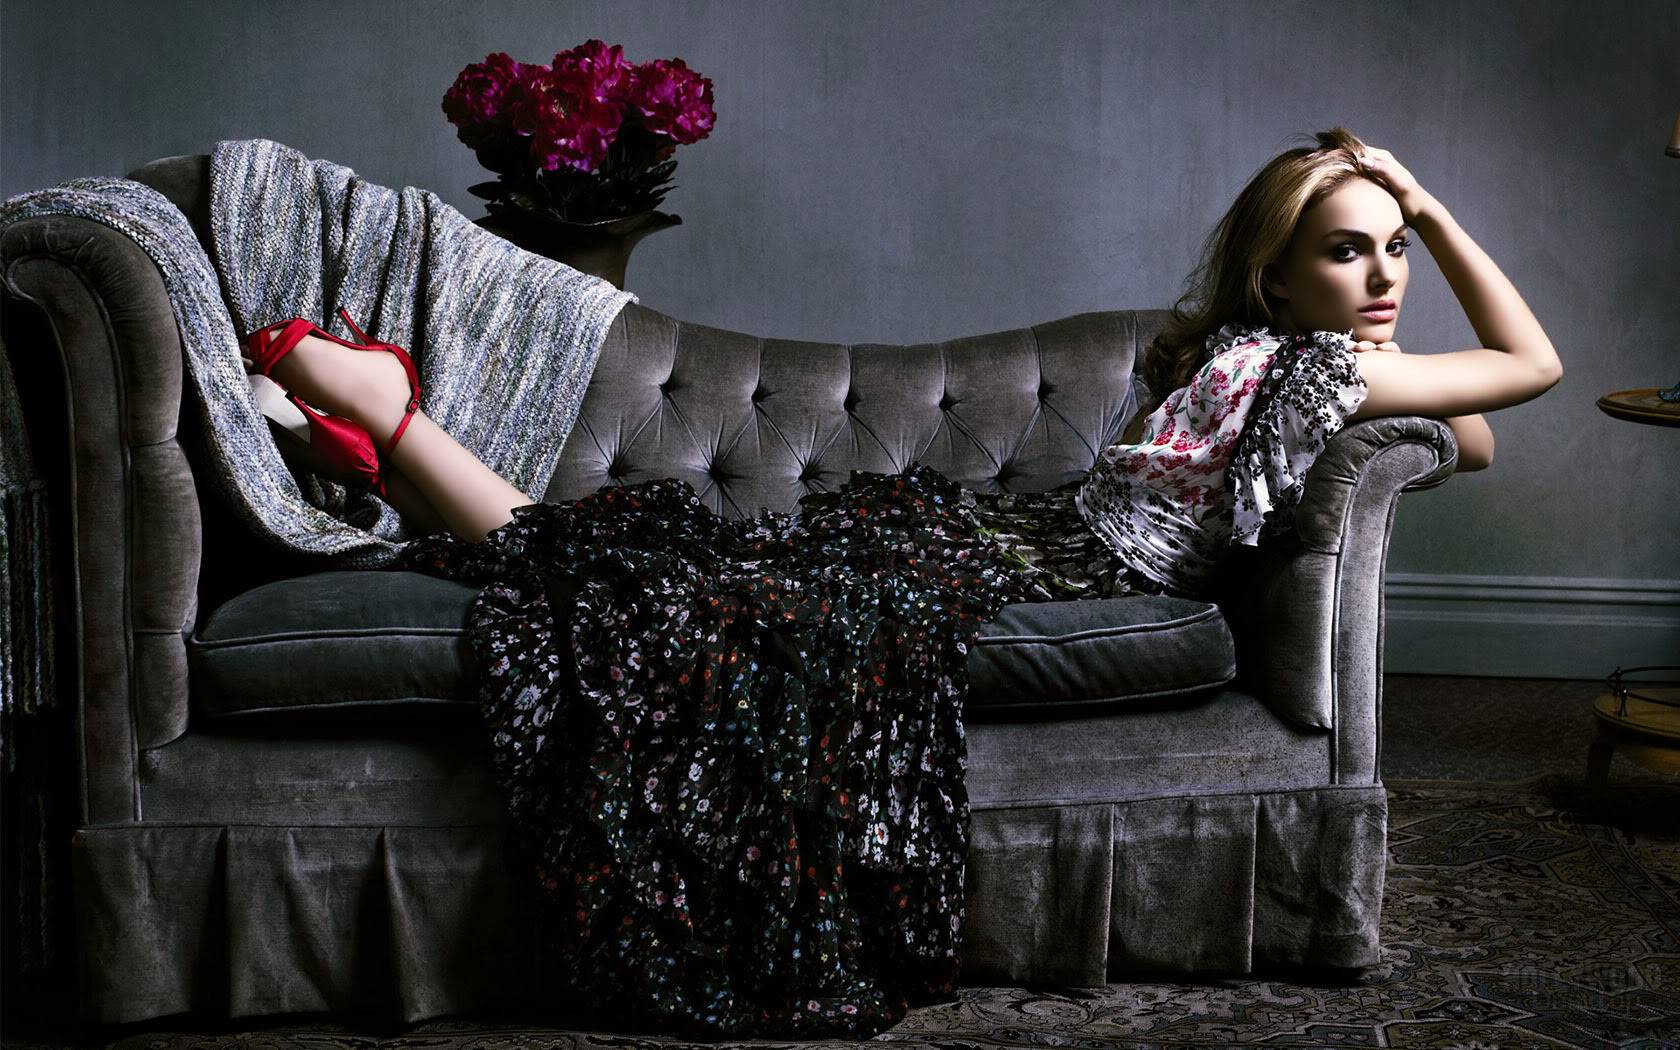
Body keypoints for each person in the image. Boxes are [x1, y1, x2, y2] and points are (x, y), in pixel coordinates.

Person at [237, 125, 1561, 1037]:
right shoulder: (1319, 366)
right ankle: (387, 418)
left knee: (653, 579)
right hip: (1024, 559)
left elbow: (1474, 424)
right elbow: (1530, 370)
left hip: (1013, 541)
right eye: (1352, 249)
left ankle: (378, 430)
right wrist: (1440, 215)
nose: (1385, 276)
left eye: (1398, 245)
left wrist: (1407, 239)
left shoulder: (1266, 353)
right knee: (652, 588)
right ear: (1278, 271)